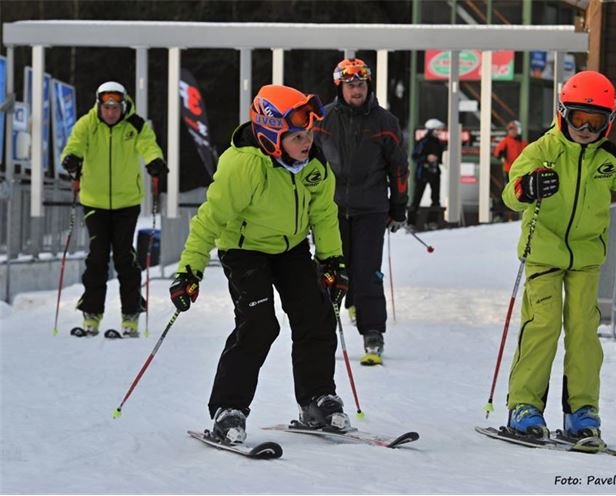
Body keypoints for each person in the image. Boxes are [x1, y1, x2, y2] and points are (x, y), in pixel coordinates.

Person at [169, 84, 351, 444]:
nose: (307, 143)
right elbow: (210, 218)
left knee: (316, 314)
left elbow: (325, 214)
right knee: (259, 324)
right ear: (271, 135)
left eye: (309, 134)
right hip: (244, 249)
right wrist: (189, 269)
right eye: (297, 136)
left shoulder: (313, 164)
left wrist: (332, 260)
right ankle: (228, 408)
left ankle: (316, 399)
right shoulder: (244, 166)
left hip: (291, 248)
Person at [501, 71, 616, 440]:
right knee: (543, 325)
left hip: (585, 258)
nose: (585, 129)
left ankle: (582, 411)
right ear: (563, 114)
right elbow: (511, 192)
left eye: (594, 122)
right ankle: (524, 405)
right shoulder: (543, 150)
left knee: (583, 332)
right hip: (544, 253)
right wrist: (528, 186)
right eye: (578, 118)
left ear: (607, 124)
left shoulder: (608, 158)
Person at [314, 58, 409, 366]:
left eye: (361, 85)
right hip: (332, 208)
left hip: (371, 207)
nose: (356, 90)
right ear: (340, 87)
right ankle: (322, 328)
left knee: (368, 271)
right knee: (330, 269)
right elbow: (307, 164)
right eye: (350, 85)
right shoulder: (322, 119)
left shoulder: (385, 122)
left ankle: (372, 332)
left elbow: (399, 168)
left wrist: (399, 207)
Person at [62, 81, 166, 337]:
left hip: (126, 202)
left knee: (124, 257)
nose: (111, 112)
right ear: (99, 106)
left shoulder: (136, 124)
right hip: (94, 201)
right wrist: (71, 158)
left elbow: (148, 145)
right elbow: (74, 144)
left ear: (123, 106)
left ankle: (130, 315)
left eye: (115, 107)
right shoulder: (87, 124)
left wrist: (155, 161)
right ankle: (92, 315)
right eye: (106, 107)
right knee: (97, 257)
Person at [408, 118, 446, 226]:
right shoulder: (423, 142)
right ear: (431, 130)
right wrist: (426, 158)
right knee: (417, 198)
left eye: (439, 130)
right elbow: (414, 156)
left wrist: (437, 160)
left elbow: (440, 158)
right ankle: (411, 222)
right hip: (423, 173)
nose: (439, 132)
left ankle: (432, 221)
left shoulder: (439, 143)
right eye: (437, 130)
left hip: (434, 172)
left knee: (435, 198)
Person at [492, 120, 528, 221]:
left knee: (519, 187)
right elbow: (497, 151)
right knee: (509, 187)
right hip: (509, 169)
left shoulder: (522, 142)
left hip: (521, 170)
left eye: (513, 129)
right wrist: (500, 153)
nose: (511, 132)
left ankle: (514, 207)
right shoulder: (506, 141)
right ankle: (502, 208)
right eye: (510, 130)